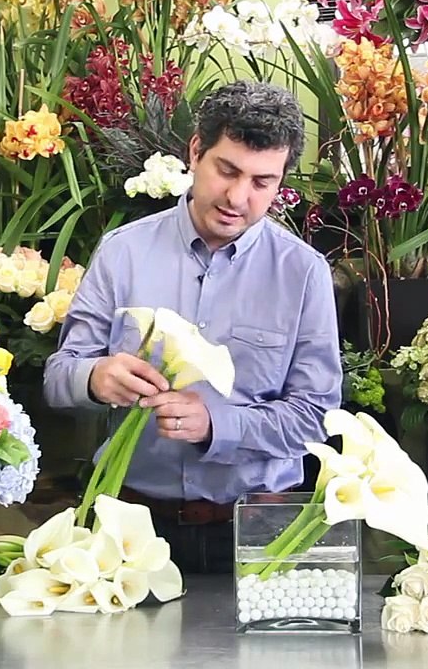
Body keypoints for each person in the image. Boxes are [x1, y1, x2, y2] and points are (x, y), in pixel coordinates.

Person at [43, 80, 343, 574]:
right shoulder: (124, 252)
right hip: (129, 530)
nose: (237, 197)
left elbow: (315, 418)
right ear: (196, 152)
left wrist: (217, 424)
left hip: (258, 535)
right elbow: (58, 379)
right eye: (226, 170)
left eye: (262, 182)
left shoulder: (303, 272)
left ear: (280, 181)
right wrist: (95, 379)